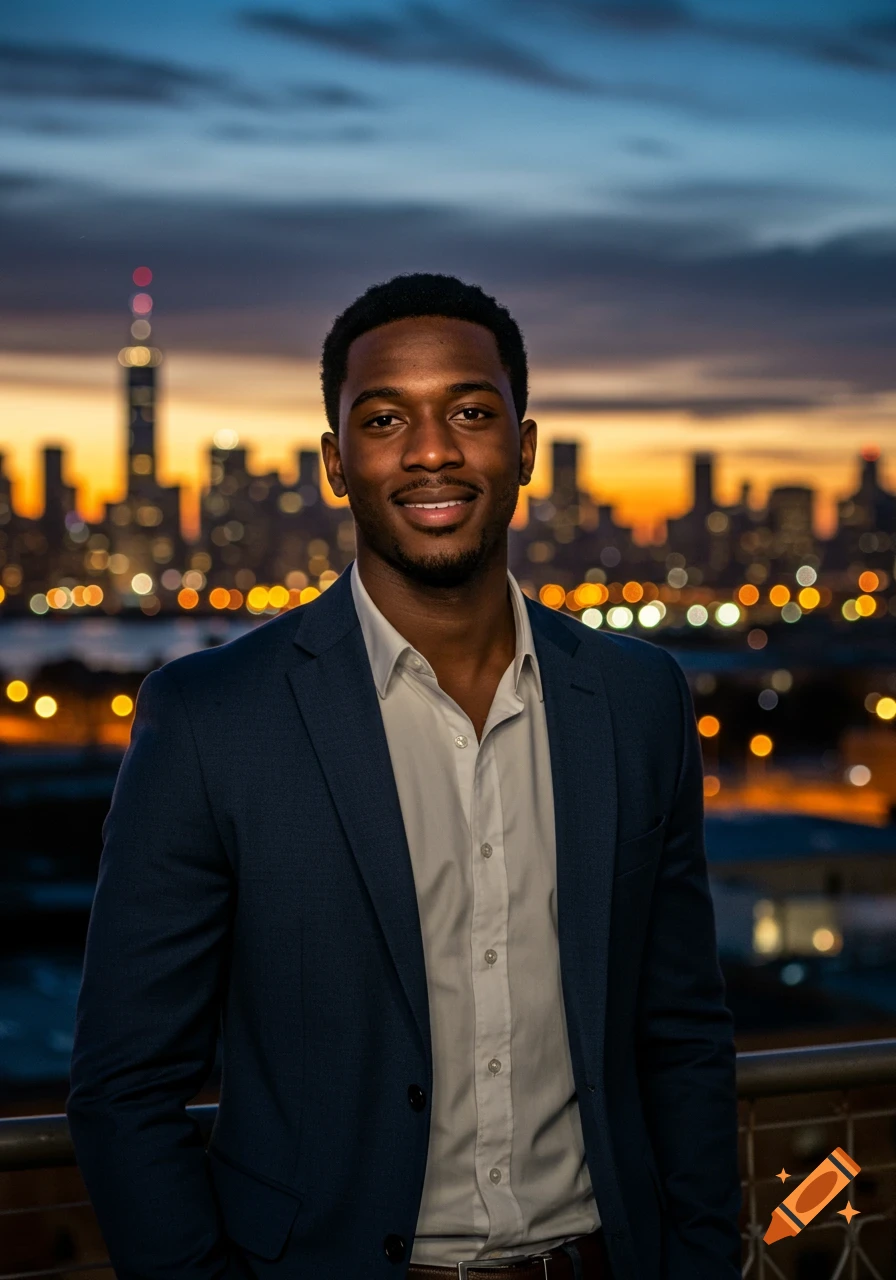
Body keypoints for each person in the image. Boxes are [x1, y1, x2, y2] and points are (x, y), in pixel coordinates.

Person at [68, 273, 741, 1280]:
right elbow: (124, 1083)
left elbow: (679, 1026)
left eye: (469, 411)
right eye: (385, 419)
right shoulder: (214, 717)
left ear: (523, 444)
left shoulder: (637, 699)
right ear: (337, 464)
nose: (430, 449)